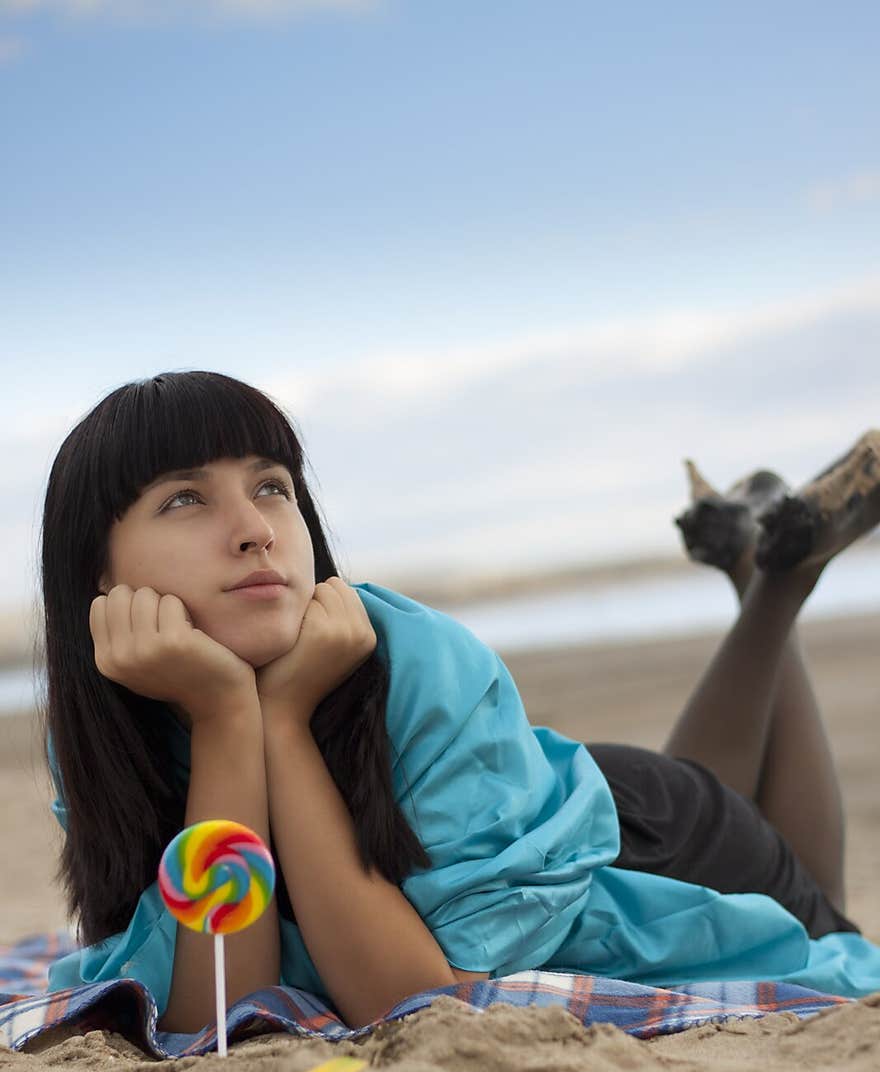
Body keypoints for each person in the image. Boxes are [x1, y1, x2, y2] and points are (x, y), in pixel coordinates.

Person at [40, 372, 880, 1034]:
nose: (255, 527)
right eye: (185, 499)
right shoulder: (110, 720)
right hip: (596, 806)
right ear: (100, 574)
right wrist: (228, 718)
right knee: (755, 837)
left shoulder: (415, 656)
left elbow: (410, 999)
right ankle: (762, 569)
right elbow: (222, 1007)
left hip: (655, 853)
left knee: (832, 929)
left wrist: (284, 720)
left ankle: (776, 579)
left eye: (271, 486)